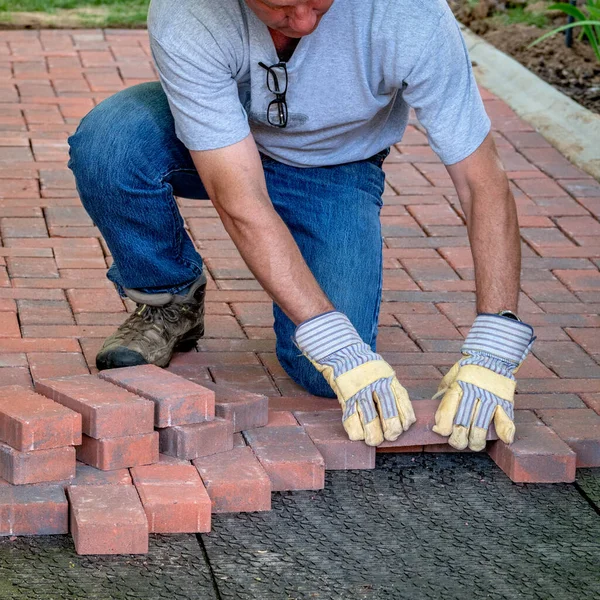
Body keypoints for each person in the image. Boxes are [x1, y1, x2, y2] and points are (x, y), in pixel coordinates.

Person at [67, 0, 535, 451]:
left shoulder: (409, 13)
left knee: (318, 376)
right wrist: (330, 338)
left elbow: (482, 181)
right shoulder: (190, 10)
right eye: (282, 7)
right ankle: (168, 299)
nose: (306, 22)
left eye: (319, 1)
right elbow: (240, 199)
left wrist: (497, 342)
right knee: (113, 143)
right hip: (224, 151)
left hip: (336, 165)